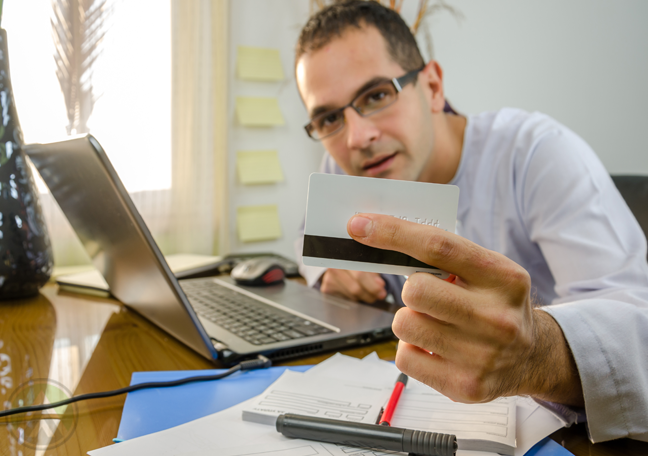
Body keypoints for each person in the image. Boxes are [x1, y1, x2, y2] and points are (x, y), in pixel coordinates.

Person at [293, 0, 648, 443]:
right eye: (328, 118)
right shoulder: (339, 165)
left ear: (434, 86)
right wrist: (327, 268)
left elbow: (639, 327)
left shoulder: (537, 153)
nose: (357, 138)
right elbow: (307, 235)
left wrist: (538, 353)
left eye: (378, 95)